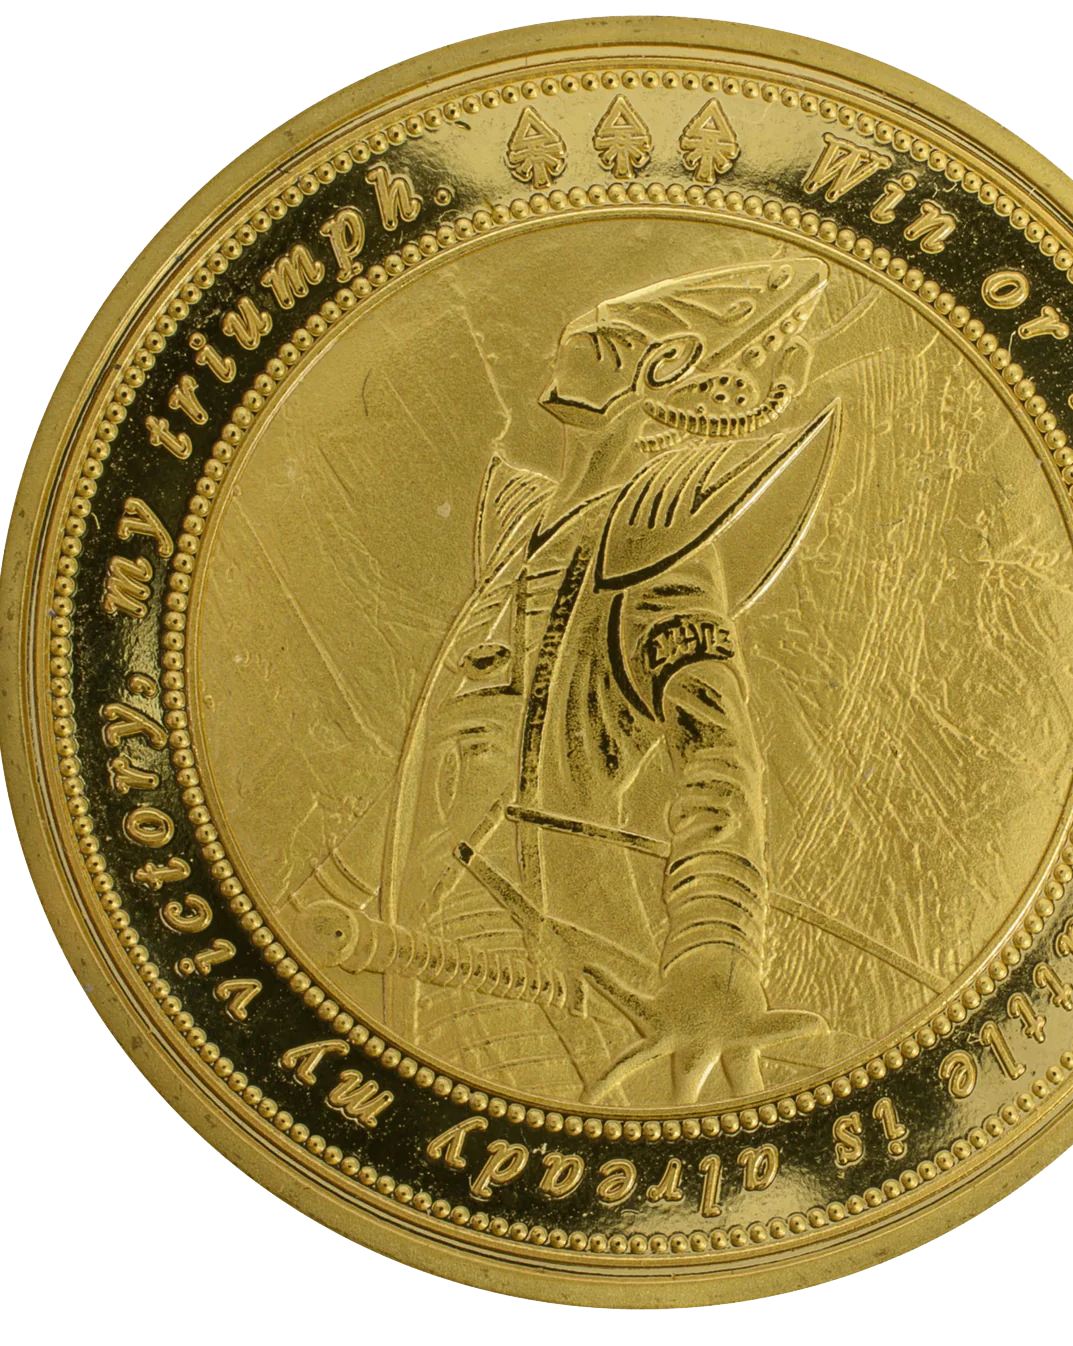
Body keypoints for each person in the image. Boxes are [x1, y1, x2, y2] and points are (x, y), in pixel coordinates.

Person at [289, 258, 840, 1106]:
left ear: (660, 380)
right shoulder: (523, 524)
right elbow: (445, 738)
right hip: (411, 904)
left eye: (614, 337)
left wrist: (711, 954)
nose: (582, 334)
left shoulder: (659, 552)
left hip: (537, 944)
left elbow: (717, 754)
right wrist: (329, 894)